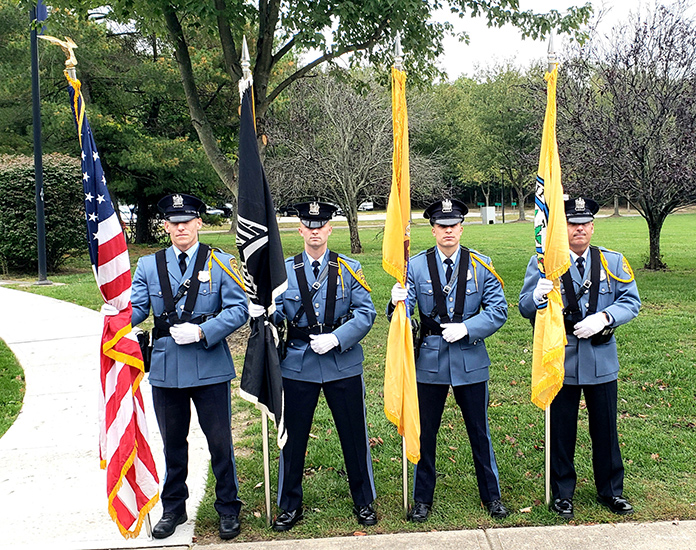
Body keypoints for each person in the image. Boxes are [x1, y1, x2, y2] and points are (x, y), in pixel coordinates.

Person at [250, 200, 377, 532]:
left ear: (330, 229)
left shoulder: (349, 268)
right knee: (292, 441)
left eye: (321, 225)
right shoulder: (284, 272)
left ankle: (363, 500)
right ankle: (290, 505)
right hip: (298, 364)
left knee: (354, 436)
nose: (315, 231)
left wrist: (337, 339)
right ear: (300, 229)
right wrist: (262, 312)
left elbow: (366, 313)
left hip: (341, 362)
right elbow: (275, 316)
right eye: (309, 225)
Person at [129, 193, 249, 540]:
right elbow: (138, 308)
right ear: (165, 226)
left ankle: (228, 507)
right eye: (174, 222)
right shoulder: (149, 266)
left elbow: (238, 309)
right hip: (167, 368)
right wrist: (117, 314)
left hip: (209, 364)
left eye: (187, 221)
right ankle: (173, 507)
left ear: (199, 223)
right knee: (173, 443)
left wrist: (202, 330)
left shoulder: (221, 262)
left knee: (220, 442)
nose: (181, 227)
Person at [518, 196, 641, 520]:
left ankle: (611, 491)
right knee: (562, 430)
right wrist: (537, 294)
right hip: (562, 357)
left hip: (600, 356)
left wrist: (604, 318)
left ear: (592, 227)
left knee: (606, 429)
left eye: (585, 224)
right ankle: (562, 494)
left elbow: (631, 301)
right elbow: (524, 308)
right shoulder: (545, 263)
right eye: (573, 224)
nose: (580, 230)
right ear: (563, 227)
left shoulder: (612, 262)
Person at [389, 198, 510, 522]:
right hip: (429, 361)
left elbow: (499, 311)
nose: (448, 232)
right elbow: (401, 316)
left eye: (453, 226)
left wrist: (468, 328)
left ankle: (492, 495)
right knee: (425, 432)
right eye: (442, 226)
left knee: (479, 432)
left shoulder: (481, 264)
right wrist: (395, 302)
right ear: (433, 230)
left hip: (470, 359)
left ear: (461, 227)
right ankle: (422, 498)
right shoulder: (414, 266)